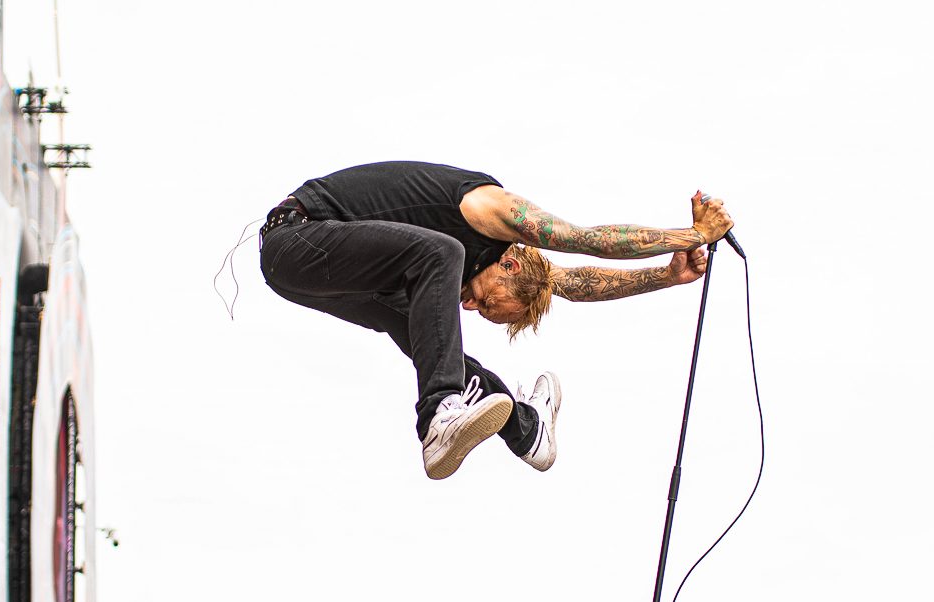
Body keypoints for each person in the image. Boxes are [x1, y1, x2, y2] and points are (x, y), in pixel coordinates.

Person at [259, 161, 733, 480]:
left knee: (434, 342)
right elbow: (587, 240)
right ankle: (439, 414)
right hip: (297, 237)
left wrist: (667, 276)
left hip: (311, 276)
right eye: (486, 301)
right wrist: (693, 235)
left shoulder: (501, 269)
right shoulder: (494, 212)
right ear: (509, 263)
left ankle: (528, 429)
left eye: (480, 308)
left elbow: (576, 282)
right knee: (441, 254)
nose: (468, 306)